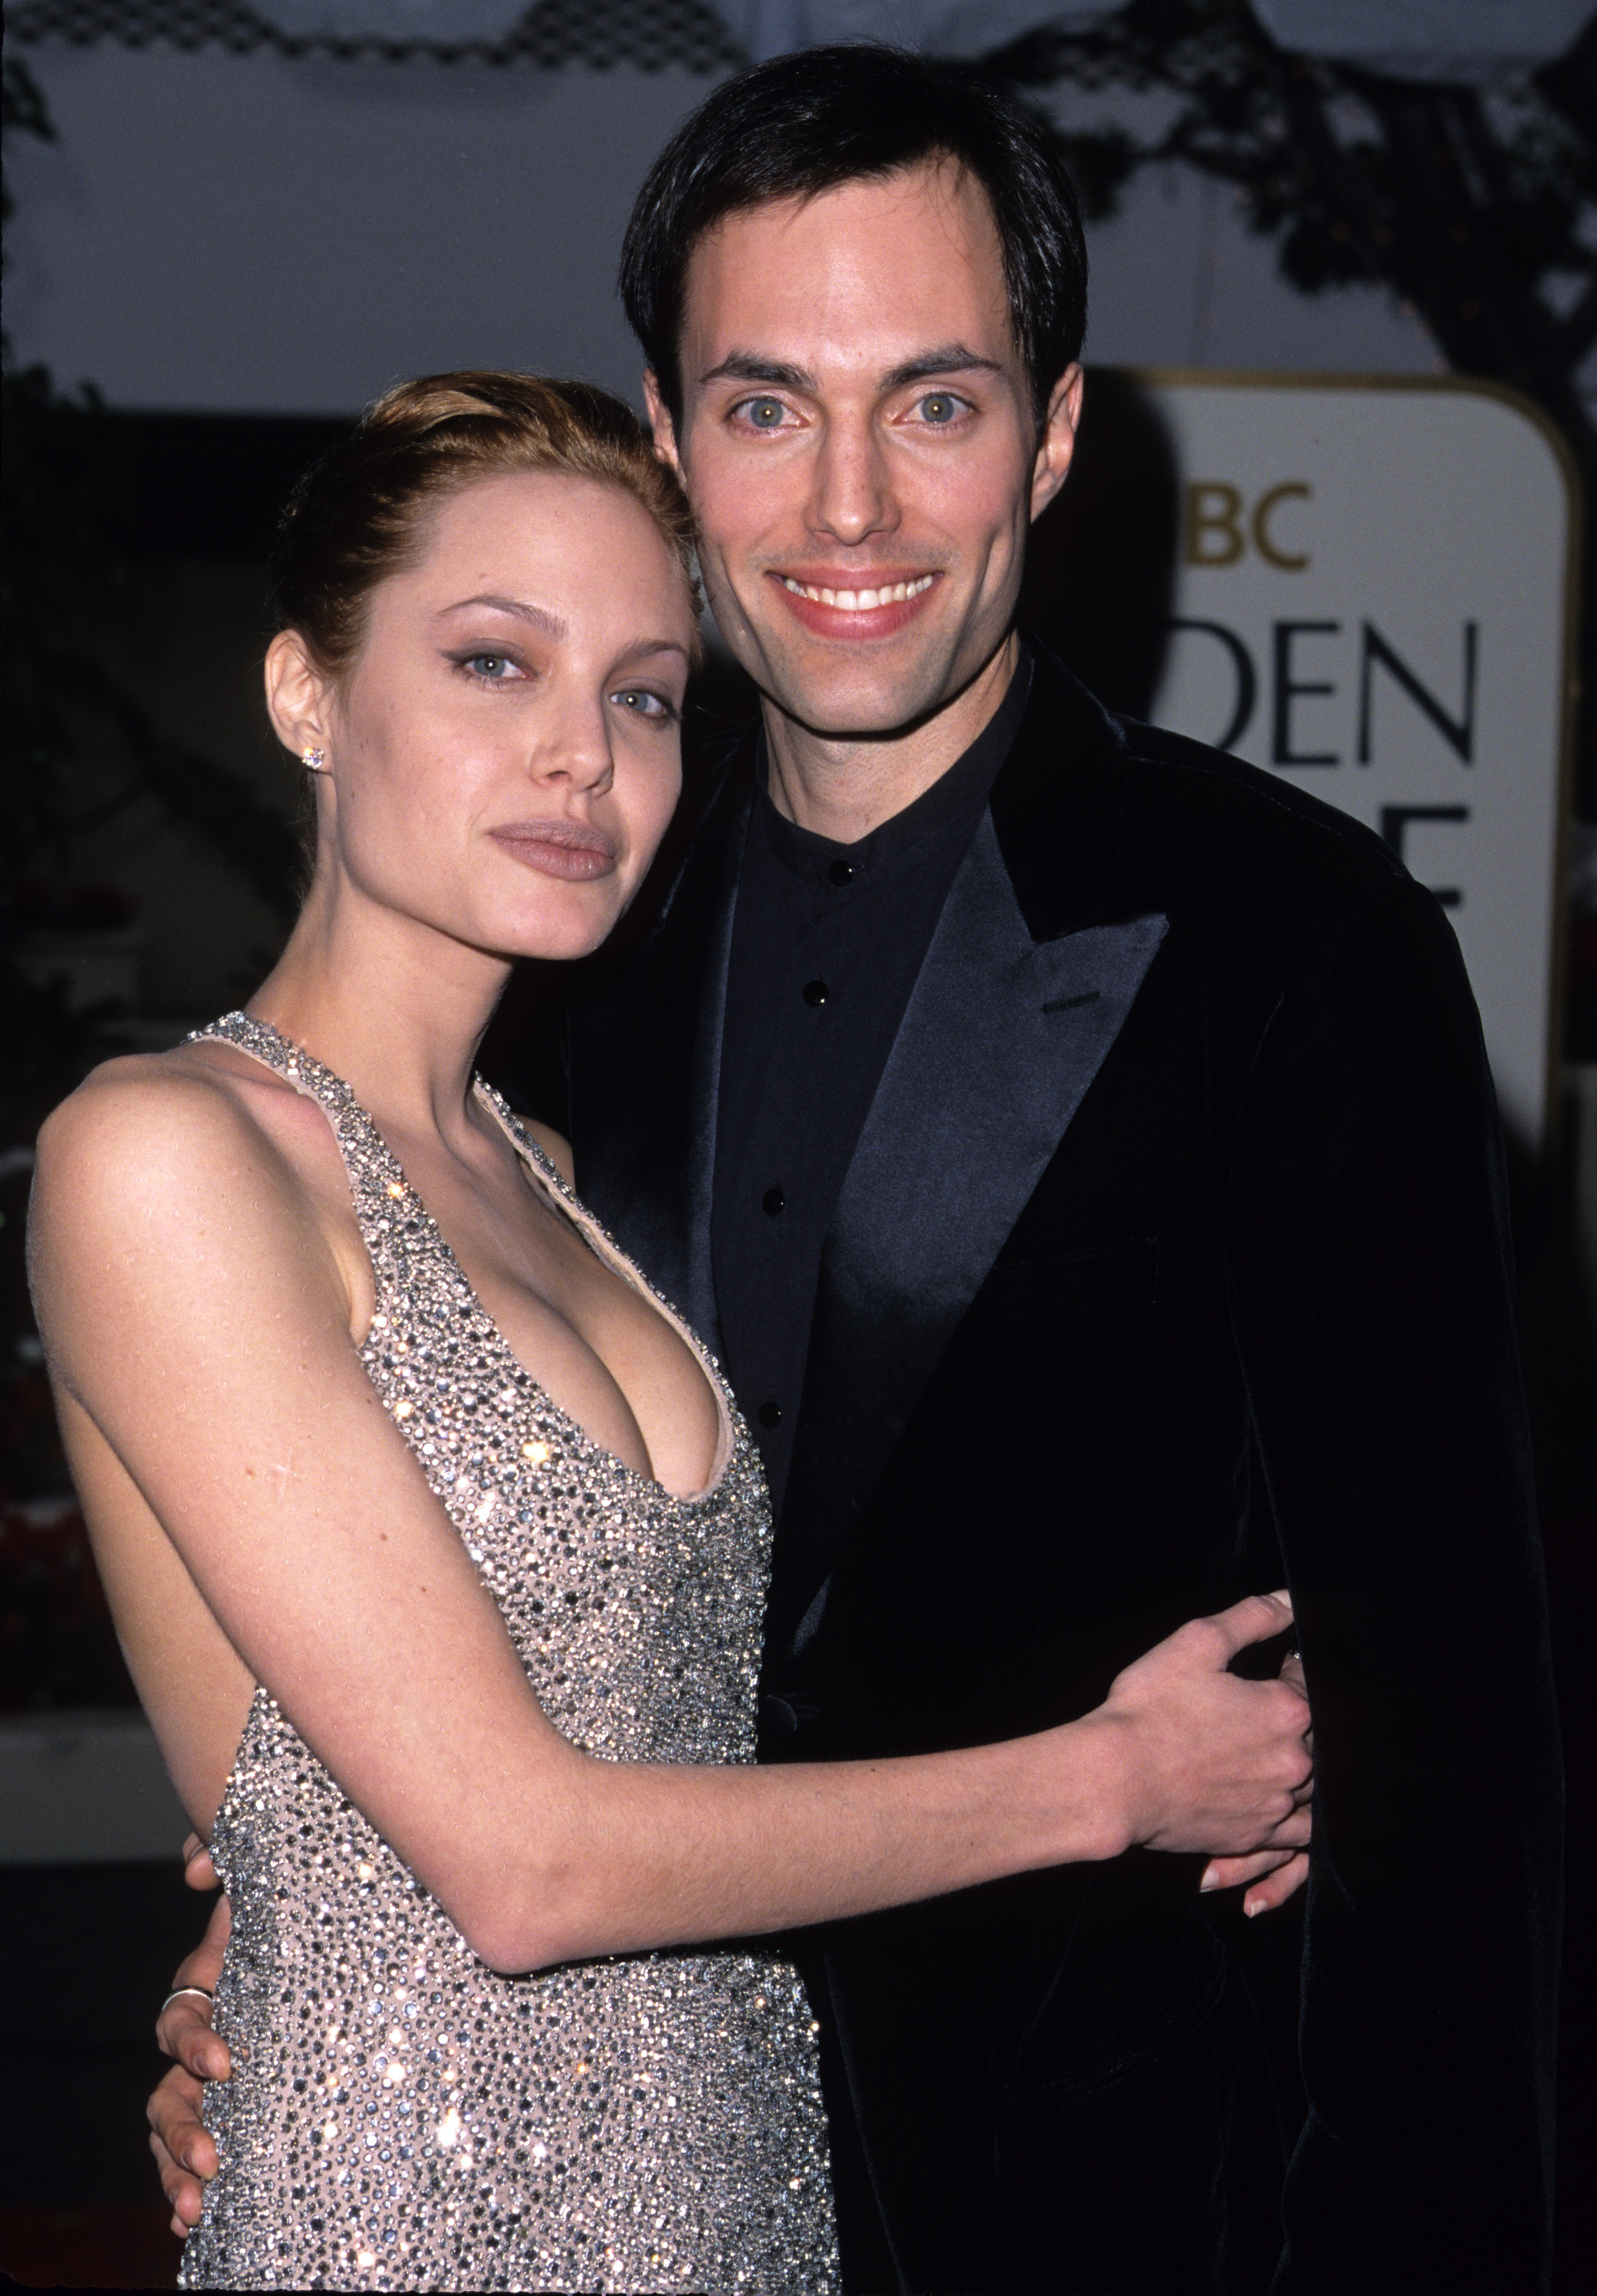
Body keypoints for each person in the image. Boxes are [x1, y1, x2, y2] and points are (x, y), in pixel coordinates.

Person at [143, 45, 1562, 2293]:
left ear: (1059, 431)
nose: (851, 510)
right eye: (768, 404)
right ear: (672, 436)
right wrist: (274, 1984)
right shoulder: (561, 943)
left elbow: (1456, 1758)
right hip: (600, 2166)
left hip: (1111, 2207)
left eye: (937, 399)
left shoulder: (1293, 946)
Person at [30, 370, 1315, 2294]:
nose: (583, 757)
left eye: (642, 694)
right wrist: (1116, 1779)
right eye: (491, 664)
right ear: (307, 696)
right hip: (425, 2220)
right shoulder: (165, 1155)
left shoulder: (561, 1169)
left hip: (739, 2199)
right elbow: (523, 1863)